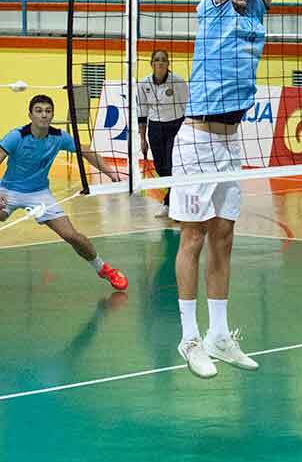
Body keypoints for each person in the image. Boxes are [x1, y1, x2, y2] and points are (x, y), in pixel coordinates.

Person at [172, 0, 302, 379]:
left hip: (231, 142)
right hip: (197, 138)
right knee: (192, 238)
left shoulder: (255, 8)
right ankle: (189, 339)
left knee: (225, 237)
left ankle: (218, 334)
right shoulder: (213, 8)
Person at [0, 95, 126, 290]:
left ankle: (103, 269)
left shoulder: (59, 137)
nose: (44, 115)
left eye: (48, 111)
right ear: (30, 115)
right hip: (8, 190)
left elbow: (86, 152)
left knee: (72, 235)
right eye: (39, 111)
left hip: (39, 194)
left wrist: (111, 172)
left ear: (52, 115)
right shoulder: (16, 136)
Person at [136, 49, 188, 218]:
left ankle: (171, 204)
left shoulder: (177, 81)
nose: (160, 63)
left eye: (163, 59)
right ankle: (172, 199)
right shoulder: (144, 84)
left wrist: (187, 132)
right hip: (155, 128)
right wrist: (142, 139)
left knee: (172, 165)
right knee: (160, 167)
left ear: (168, 64)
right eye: (157, 60)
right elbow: (142, 112)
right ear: (151, 64)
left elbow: (186, 107)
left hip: (175, 126)